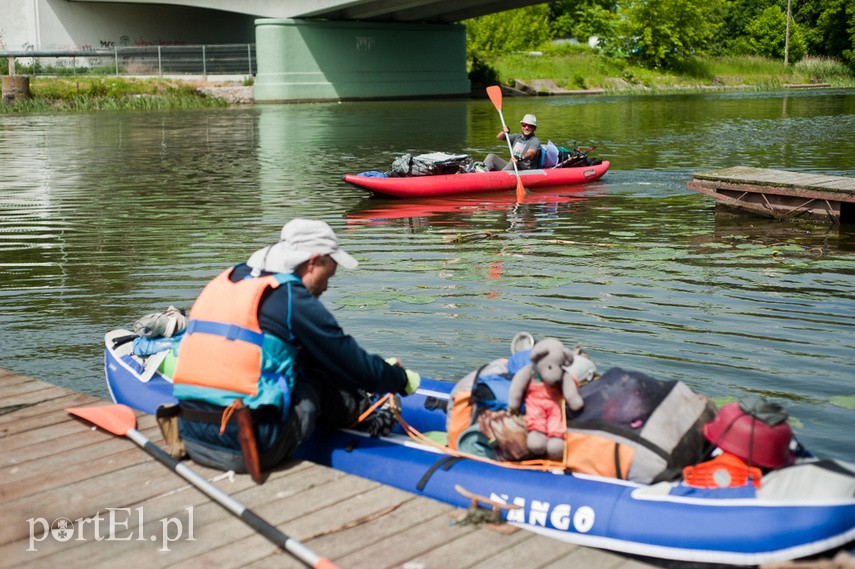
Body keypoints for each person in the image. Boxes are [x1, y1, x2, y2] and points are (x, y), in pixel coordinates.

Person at [171, 218, 421, 475]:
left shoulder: (227, 279)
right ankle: (365, 419)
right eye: (329, 274)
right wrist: (399, 379)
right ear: (314, 261)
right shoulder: (291, 298)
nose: (327, 286)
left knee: (300, 359)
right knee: (316, 375)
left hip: (191, 434)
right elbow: (353, 363)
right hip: (249, 446)